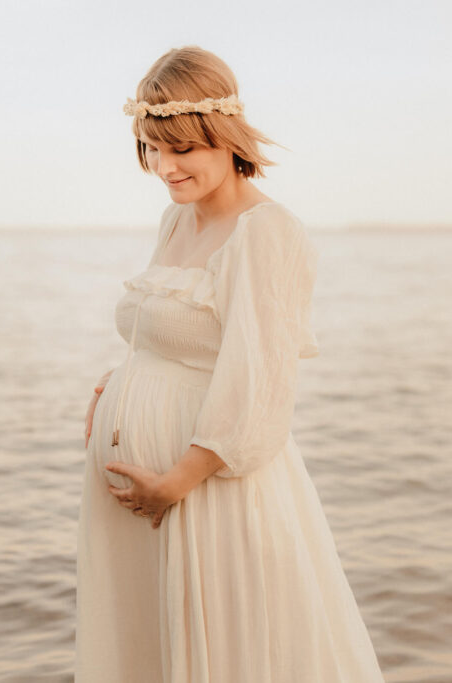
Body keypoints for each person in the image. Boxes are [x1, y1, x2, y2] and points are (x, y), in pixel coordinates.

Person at [75, 45, 385, 682]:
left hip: (204, 490)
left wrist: (175, 483)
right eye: (151, 148)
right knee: (152, 650)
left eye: (181, 149)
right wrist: (114, 386)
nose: (165, 167)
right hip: (147, 490)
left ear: (225, 136)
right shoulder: (175, 219)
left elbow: (260, 382)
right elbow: (167, 338)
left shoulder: (267, 232)